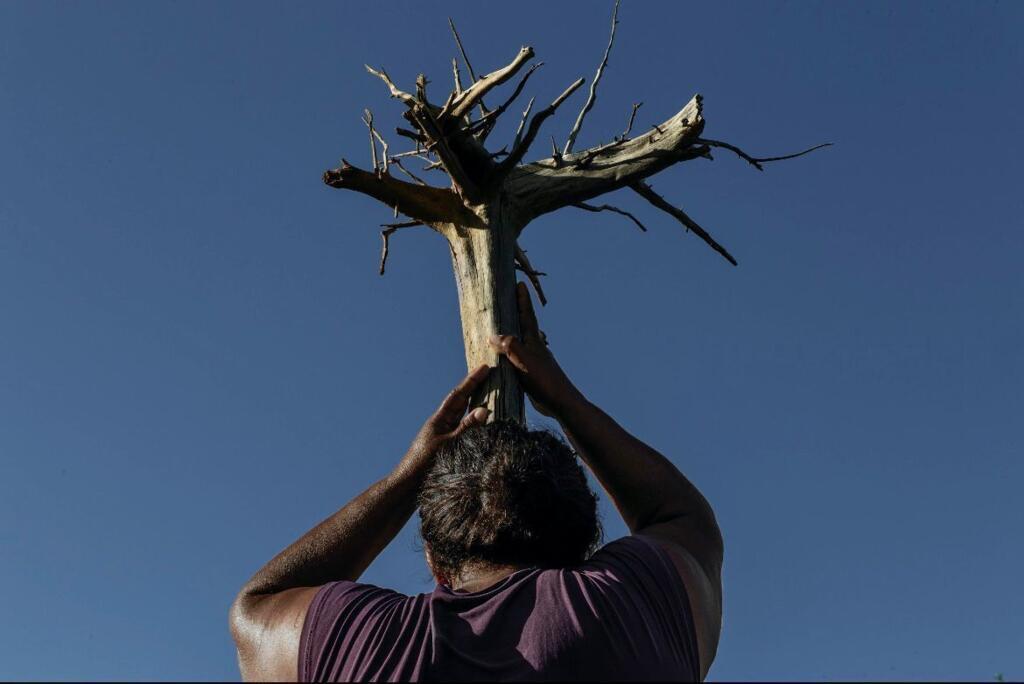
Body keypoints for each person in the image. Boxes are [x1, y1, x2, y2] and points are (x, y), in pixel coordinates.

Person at [230, 282, 723, 682]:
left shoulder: (360, 643)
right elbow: (686, 520)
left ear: (433, 559)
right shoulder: (631, 606)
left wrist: (409, 476)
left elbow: (257, 607)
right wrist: (565, 402)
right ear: (585, 545)